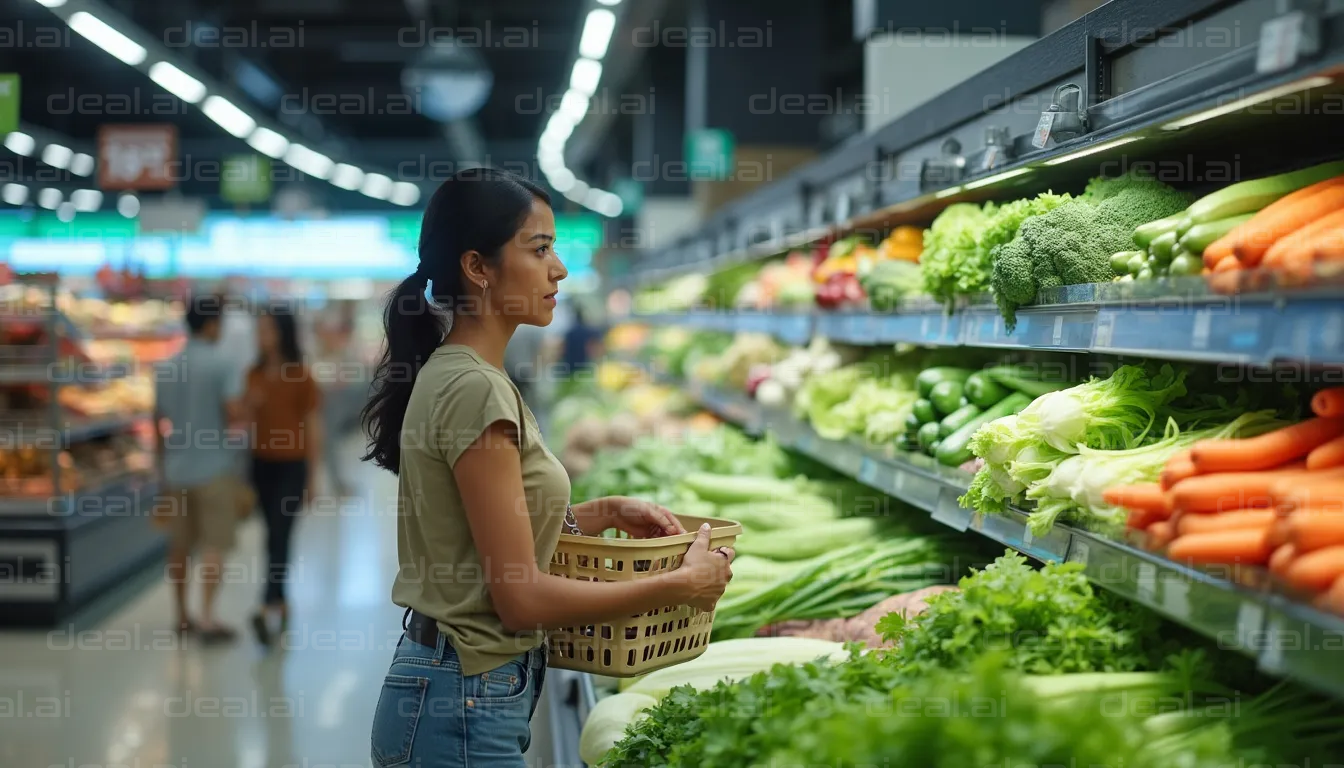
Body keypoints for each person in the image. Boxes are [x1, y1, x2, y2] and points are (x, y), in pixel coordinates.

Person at [362, 168, 734, 767]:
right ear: (478, 267)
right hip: (464, 701)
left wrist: (599, 513)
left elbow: (478, 528)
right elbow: (520, 599)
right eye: (539, 249)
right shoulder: (475, 388)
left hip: (458, 691)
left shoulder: (467, 375)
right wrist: (676, 586)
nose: (559, 268)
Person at [153, 293, 246, 644]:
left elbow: (156, 421)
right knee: (214, 545)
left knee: (179, 546)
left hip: (176, 469)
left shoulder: (166, 366)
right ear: (210, 325)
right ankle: (207, 616)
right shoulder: (223, 364)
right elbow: (234, 413)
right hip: (215, 468)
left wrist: (160, 470)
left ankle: (180, 616)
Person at [244, 303, 323, 647]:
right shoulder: (253, 375)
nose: (262, 337)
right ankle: (282, 600)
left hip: (293, 465)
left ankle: (265, 606)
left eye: (268, 330)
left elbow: (312, 424)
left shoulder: (301, 375)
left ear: (284, 333)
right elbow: (244, 422)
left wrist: (313, 477)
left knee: (279, 531)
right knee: (272, 536)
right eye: (259, 330)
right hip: (261, 464)